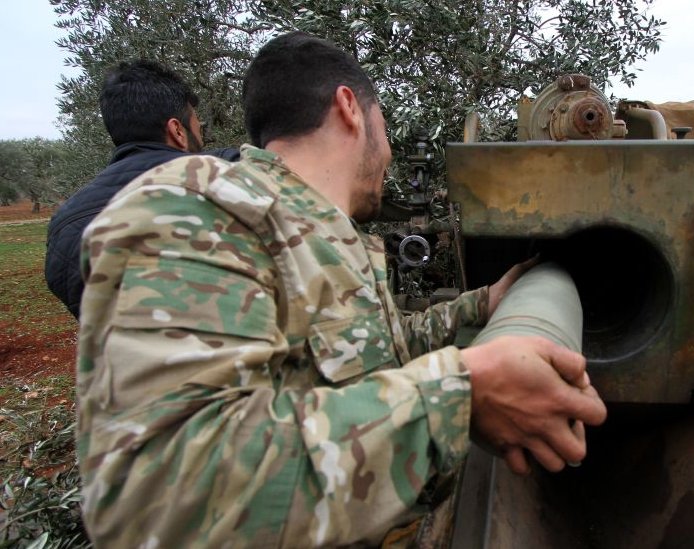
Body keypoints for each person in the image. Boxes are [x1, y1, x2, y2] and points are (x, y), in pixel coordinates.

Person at [75, 31, 607, 547]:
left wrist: (483, 304)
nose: (391, 152)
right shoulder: (196, 209)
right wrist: (459, 392)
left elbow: (368, 355)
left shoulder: (327, 234)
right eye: (386, 125)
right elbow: (162, 499)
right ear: (350, 108)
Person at [45, 60, 239, 319]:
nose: (201, 134)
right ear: (177, 131)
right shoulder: (229, 176)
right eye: (197, 126)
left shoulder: (65, 225)